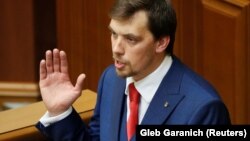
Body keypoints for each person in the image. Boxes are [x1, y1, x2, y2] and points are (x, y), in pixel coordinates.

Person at [36, 0, 231, 140]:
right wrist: (61, 112)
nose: (116, 49)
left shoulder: (203, 109)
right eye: (114, 34)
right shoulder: (111, 79)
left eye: (130, 39)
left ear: (161, 42)